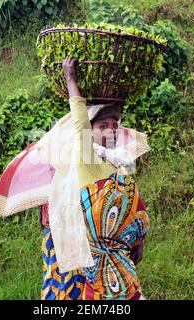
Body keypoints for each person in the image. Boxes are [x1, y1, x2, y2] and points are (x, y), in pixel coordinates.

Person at [41, 56, 149, 300]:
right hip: (100, 269)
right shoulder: (87, 160)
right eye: (103, 126)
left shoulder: (119, 166)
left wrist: (139, 240)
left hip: (124, 264)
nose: (111, 130)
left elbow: (131, 210)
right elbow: (80, 120)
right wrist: (70, 78)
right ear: (90, 133)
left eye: (114, 125)